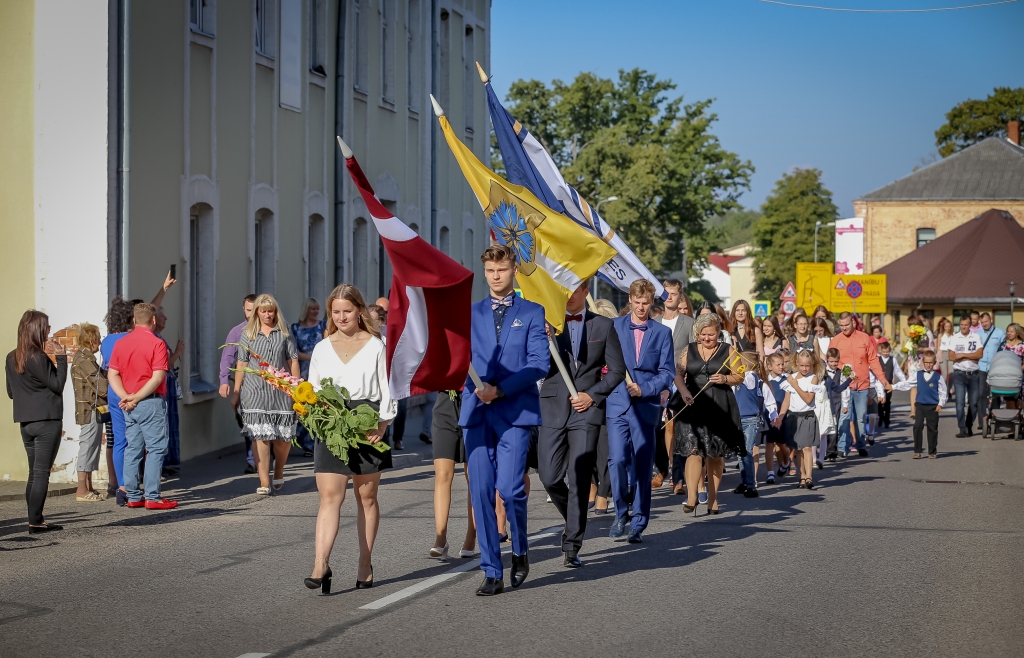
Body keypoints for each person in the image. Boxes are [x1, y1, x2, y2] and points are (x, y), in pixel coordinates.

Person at [460, 245, 548, 596]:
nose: (496, 276)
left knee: (511, 490)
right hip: (477, 411)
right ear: (484, 272)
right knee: (480, 492)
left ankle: (521, 548)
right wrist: (475, 387)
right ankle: (492, 569)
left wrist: (501, 390)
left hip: (515, 412)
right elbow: (457, 359)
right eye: (490, 270)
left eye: (502, 269)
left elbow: (538, 362)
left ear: (514, 270)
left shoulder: (532, 312)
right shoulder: (469, 313)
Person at [304, 284, 396, 593]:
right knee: (330, 496)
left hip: (368, 420)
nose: (341, 317)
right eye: (336, 312)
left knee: (366, 497)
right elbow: (312, 389)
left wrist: (383, 424)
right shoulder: (321, 347)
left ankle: (364, 562)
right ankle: (321, 563)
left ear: (359, 310)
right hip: (331, 423)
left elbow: (387, 388)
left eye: (347, 310)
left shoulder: (376, 346)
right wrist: (313, 413)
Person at [538, 282, 626, 567]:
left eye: (574, 289)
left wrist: (593, 395)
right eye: (563, 290)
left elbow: (616, 371)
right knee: (549, 477)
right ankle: (575, 516)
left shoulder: (602, 326)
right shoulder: (546, 324)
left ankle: (572, 542)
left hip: (586, 411)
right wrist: (541, 340)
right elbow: (535, 366)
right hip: (552, 408)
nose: (568, 295)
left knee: (578, 479)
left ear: (585, 290)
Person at [607, 280, 674, 542]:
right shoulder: (615, 326)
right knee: (618, 459)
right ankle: (620, 511)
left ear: (652, 302)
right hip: (617, 403)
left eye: (646, 302)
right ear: (630, 300)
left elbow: (667, 372)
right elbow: (603, 362)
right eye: (637, 302)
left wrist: (645, 388)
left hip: (645, 405)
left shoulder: (661, 333)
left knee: (644, 465)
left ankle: (638, 521)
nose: (641, 307)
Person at [107, 303, 177, 510]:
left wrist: (126, 397)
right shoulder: (157, 343)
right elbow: (157, 378)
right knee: (155, 449)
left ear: (134, 320)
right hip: (151, 401)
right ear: (153, 320)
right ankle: (153, 496)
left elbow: (112, 374)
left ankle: (133, 494)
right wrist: (136, 397)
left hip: (128, 404)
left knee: (133, 448)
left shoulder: (121, 343)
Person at [674, 313, 744, 514]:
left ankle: (713, 499)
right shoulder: (689, 350)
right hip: (693, 404)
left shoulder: (728, 350)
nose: (706, 338)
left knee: (714, 455)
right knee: (692, 451)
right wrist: (684, 392)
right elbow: (678, 374)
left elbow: (740, 375)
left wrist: (725, 378)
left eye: (711, 335)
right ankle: (692, 496)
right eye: (703, 334)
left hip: (719, 406)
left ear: (718, 333)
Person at [6, 311, 69, 533]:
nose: (49, 330)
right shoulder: (37, 356)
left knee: (34, 472)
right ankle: (36, 522)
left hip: (26, 422)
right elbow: (57, 384)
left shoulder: (11, 356)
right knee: (42, 472)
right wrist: (61, 358)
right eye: (47, 326)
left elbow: (11, 393)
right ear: (37, 329)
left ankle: (35, 518)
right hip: (47, 419)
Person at [233, 294, 300, 494]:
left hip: (280, 390)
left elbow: (293, 360)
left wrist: (296, 388)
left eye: (270, 311)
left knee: (282, 439)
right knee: (260, 436)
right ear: (257, 312)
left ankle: (278, 468)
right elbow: (242, 363)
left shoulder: (285, 332)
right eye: (263, 311)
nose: (267, 315)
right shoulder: (247, 333)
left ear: (275, 311)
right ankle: (263, 480)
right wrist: (236, 391)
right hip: (254, 390)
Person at [653, 279, 694, 492]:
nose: (669, 297)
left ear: (680, 297)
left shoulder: (688, 323)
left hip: (681, 382)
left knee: (677, 429)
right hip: (656, 383)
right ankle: (662, 468)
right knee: (655, 429)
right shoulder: (654, 322)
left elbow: (693, 354)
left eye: (674, 293)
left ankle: (678, 477)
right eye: (665, 293)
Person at [831, 312, 890, 457]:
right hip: (844, 386)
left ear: (853, 322)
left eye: (846, 325)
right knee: (844, 417)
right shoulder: (836, 340)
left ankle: (861, 444)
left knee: (861, 417)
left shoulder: (864, 338)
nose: (844, 328)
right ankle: (842, 447)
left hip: (863, 385)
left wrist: (883, 380)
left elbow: (873, 360)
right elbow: (831, 362)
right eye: (841, 325)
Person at [429, 390, 479, 560]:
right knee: (442, 475)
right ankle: (440, 538)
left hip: (475, 403)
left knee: (473, 476)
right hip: (445, 405)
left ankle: (471, 535)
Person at [100, 296, 135, 505]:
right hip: (131, 392)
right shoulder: (131, 339)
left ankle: (122, 485)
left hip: (114, 392)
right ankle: (136, 484)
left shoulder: (107, 341)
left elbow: (106, 369)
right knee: (137, 439)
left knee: (119, 440)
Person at [220, 294, 257, 473]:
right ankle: (253, 459)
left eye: (254, 310)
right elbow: (227, 357)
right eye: (248, 310)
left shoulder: (271, 330)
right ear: (244, 309)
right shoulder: (237, 331)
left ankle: (261, 456)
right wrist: (223, 380)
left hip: (267, 385)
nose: (251, 314)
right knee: (247, 422)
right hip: (244, 385)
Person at [733, 351, 777, 498]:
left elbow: (769, 400)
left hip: (750, 420)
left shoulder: (750, 378)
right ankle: (744, 481)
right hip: (738, 419)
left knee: (747, 451)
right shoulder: (741, 379)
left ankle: (751, 485)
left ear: (744, 365)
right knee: (741, 452)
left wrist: (773, 415)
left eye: (738, 362)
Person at [590, 299, 620, 510]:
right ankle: (591, 486)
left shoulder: (615, 335)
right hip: (589, 395)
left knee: (605, 447)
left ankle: (604, 492)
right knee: (587, 444)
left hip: (612, 395)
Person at [72, 323, 106, 501]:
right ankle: (82, 490)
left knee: (92, 446)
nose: (99, 342)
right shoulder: (85, 360)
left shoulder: (86, 358)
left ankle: (89, 487)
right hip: (88, 409)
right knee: (87, 446)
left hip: (90, 408)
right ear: (91, 340)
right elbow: (101, 386)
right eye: (98, 339)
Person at [891, 350, 947, 458]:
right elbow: (906, 384)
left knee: (932, 428)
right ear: (923, 362)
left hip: (933, 406)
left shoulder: (938, 376)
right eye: (926, 363)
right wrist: (893, 387)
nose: (928, 365)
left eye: (931, 363)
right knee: (917, 426)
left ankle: (932, 451)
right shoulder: (918, 374)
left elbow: (943, 391)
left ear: (935, 362)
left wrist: (940, 403)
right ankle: (917, 451)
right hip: (920, 404)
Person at [780, 350, 822, 489]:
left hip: (807, 416)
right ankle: (802, 475)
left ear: (812, 365)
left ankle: (809, 477)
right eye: (802, 365)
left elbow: (809, 399)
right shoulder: (790, 378)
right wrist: (780, 416)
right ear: (796, 363)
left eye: (808, 366)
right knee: (798, 449)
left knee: (807, 447)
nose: (805, 369)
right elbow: (787, 400)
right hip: (793, 416)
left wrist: (795, 385)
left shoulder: (813, 378)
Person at [292, 298, 326, 457]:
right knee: (303, 407)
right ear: (306, 310)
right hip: (303, 370)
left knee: (317, 404)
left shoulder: (322, 326)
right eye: (313, 309)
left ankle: (313, 444)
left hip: (320, 371)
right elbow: (293, 352)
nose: (316, 312)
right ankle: (302, 441)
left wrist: (318, 361)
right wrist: (312, 358)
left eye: (317, 309)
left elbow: (328, 347)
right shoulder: (296, 328)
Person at [948, 315, 983, 438]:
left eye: (966, 325)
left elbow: (979, 354)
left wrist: (962, 355)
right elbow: (952, 356)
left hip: (974, 374)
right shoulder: (954, 338)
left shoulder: (976, 337)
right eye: (961, 324)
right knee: (960, 402)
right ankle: (962, 428)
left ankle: (969, 425)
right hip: (959, 374)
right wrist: (970, 356)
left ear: (970, 325)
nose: (963, 327)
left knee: (973, 404)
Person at [822, 347, 854, 461]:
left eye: (836, 361)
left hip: (836, 402)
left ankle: (832, 452)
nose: (834, 364)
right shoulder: (822, 371)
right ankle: (823, 451)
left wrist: (845, 404)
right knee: (823, 427)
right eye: (831, 361)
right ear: (827, 360)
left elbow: (844, 389)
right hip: (823, 402)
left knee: (834, 427)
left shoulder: (842, 371)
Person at [975, 312, 1005, 432]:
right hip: (981, 367)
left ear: (991, 320)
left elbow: (1004, 349)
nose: (984, 324)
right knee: (982, 394)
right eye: (982, 322)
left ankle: (995, 420)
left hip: (995, 368)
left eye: (986, 321)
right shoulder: (977, 334)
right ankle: (982, 422)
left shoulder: (1000, 333)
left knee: (995, 394)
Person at [763, 352, 790, 483]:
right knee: (769, 444)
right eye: (778, 364)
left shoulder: (787, 380)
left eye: (782, 364)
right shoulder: (765, 381)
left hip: (781, 417)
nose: (781, 366)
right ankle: (770, 473)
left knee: (782, 445)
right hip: (767, 416)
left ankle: (786, 462)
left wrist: (780, 417)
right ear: (769, 366)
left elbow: (786, 400)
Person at [876, 339, 905, 428]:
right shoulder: (877, 359)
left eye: (887, 352)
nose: (885, 353)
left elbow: (897, 370)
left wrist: (903, 380)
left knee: (887, 402)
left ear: (889, 351)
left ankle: (887, 419)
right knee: (880, 402)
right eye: (884, 352)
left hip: (888, 384)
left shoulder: (893, 360)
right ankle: (880, 417)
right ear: (880, 351)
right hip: (879, 383)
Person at [936, 317, 954, 383]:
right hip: (943, 353)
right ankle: (943, 389)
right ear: (943, 327)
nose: (948, 328)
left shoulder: (953, 334)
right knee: (944, 374)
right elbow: (938, 347)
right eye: (946, 326)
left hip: (951, 353)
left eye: (949, 326)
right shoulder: (941, 335)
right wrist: (938, 355)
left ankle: (950, 388)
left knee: (951, 373)